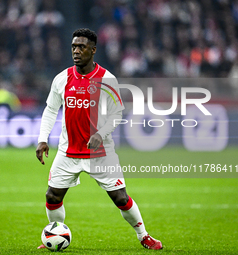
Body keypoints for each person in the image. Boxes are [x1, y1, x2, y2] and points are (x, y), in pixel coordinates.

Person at [36, 28, 162, 250]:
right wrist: (42, 139)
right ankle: (55, 235)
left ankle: (144, 236)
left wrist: (100, 134)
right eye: (74, 46)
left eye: (82, 47)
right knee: (53, 195)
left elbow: (117, 114)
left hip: (100, 153)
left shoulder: (107, 79)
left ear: (93, 50)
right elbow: (50, 110)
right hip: (68, 152)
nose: (76, 51)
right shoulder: (62, 78)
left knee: (121, 198)